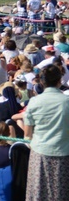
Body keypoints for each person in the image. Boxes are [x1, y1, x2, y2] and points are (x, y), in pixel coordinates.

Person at [24, 64, 69, 201]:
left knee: (38, 193)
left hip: (40, 153)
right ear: (59, 80)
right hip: (63, 153)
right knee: (60, 194)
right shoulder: (66, 101)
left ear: (42, 82)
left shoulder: (34, 101)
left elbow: (27, 134)